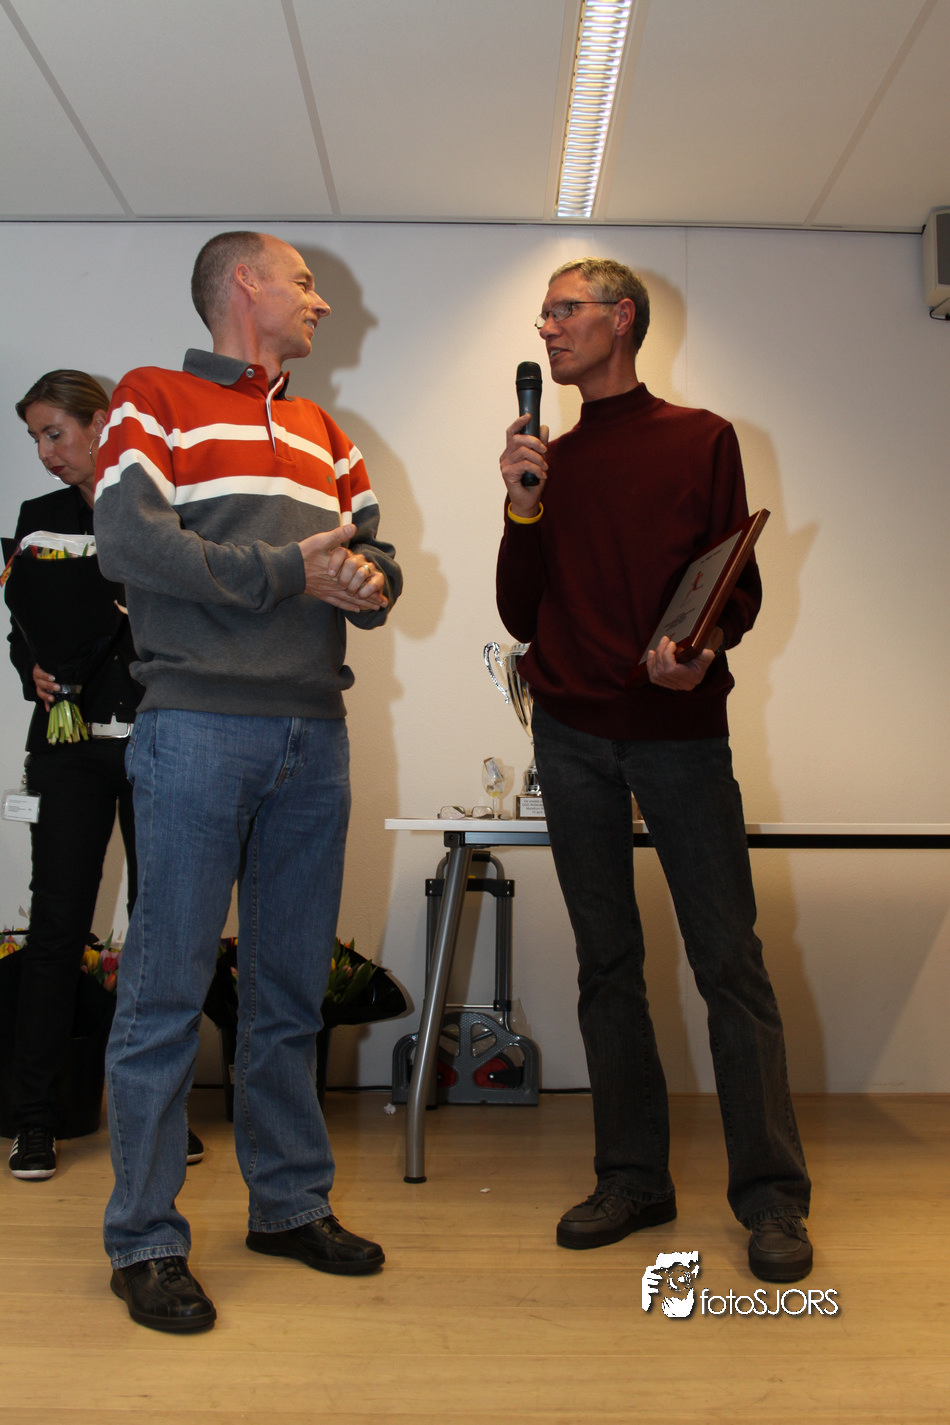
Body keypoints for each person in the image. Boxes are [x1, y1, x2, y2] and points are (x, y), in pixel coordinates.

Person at [94, 231, 402, 1333]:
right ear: (245, 285)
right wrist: (289, 571)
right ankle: (144, 1240)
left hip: (315, 733)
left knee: (289, 995)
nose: (320, 301)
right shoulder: (152, 398)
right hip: (195, 728)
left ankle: (288, 1205)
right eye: (303, 282)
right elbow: (128, 544)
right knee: (164, 993)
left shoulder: (327, 433)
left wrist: (367, 581)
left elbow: (374, 559)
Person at [496, 257, 812, 1284]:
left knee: (728, 962)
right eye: (543, 314)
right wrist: (521, 505)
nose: (548, 327)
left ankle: (770, 1198)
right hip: (570, 735)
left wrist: (701, 648)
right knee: (607, 965)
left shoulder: (699, 438)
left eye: (566, 309)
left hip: (677, 733)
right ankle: (632, 1178)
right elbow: (517, 609)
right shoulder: (549, 461)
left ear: (621, 318)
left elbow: (735, 585)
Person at [4, 371, 141, 1182]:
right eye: (35, 438)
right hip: (67, 750)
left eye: (55, 432)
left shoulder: (152, 505)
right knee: (55, 931)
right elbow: (21, 628)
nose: (46, 451)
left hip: (159, 742)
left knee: (159, 930)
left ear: (101, 424)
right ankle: (35, 1119)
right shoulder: (37, 517)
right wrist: (32, 669)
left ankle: (150, 1113)